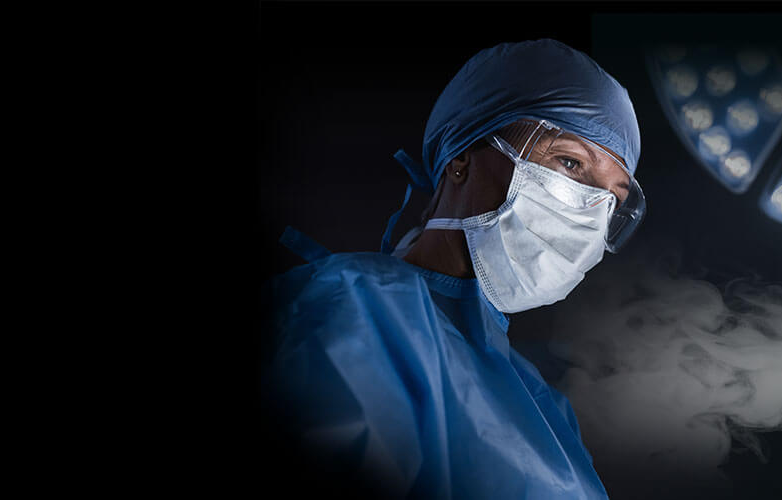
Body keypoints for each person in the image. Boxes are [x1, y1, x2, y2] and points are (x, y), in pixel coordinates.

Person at [266, 39, 646, 499]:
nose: (591, 211)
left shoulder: (545, 407)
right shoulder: (348, 307)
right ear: (462, 157)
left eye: (613, 200)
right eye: (570, 162)